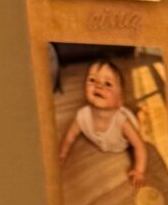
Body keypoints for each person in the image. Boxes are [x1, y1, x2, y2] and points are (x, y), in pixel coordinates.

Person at [57, 55, 147, 185]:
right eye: (92, 80)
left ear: (119, 100)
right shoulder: (82, 116)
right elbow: (69, 136)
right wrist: (62, 154)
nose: (98, 86)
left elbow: (140, 147)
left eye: (108, 84)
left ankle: (140, 115)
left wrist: (139, 171)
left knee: (138, 127)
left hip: (127, 122)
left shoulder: (123, 123)